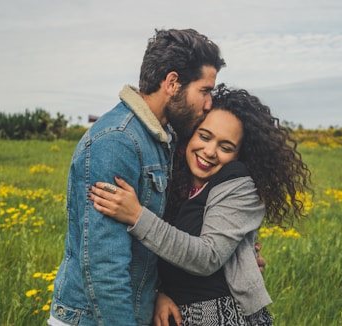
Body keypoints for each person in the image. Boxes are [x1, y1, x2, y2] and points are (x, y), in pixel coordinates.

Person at [89, 84, 312, 325]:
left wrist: (136, 216)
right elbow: (155, 253)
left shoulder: (239, 184)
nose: (210, 151)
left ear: (239, 155)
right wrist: (156, 294)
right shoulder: (169, 180)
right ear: (190, 134)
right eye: (204, 136)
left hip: (223, 316)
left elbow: (206, 257)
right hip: (173, 314)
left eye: (226, 147)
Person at [48, 28, 226, 326]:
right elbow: (105, 266)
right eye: (205, 91)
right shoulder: (118, 141)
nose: (208, 103)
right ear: (172, 82)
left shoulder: (159, 136)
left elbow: (144, 243)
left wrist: (156, 292)